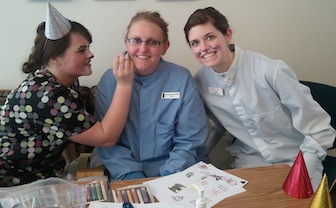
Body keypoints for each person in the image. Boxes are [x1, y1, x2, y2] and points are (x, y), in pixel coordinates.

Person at [183, 7, 336, 190]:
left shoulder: (270, 71)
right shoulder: (200, 82)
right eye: (195, 43)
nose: (203, 48)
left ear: (227, 35)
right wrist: (202, 153)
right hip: (250, 161)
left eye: (210, 37)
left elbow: (320, 130)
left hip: (297, 159)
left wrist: (299, 174)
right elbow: (219, 125)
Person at [0, 3, 134, 187]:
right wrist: (125, 84)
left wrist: (70, 166)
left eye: (88, 47)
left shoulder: (66, 82)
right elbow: (106, 137)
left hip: (42, 173)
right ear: (55, 58)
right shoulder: (47, 95)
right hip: (14, 182)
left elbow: (68, 129)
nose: (90, 54)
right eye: (81, 50)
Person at [92, 11, 209, 181]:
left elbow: (189, 140)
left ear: (165, 47)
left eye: (153, 42)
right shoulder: (110, 81)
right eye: (135, 40)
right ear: (126, 42)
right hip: (125, 172)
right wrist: (133, 176)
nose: (143, 49)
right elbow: (108, 142)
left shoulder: (181, 79)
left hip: (178, 172)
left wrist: (168, 178)